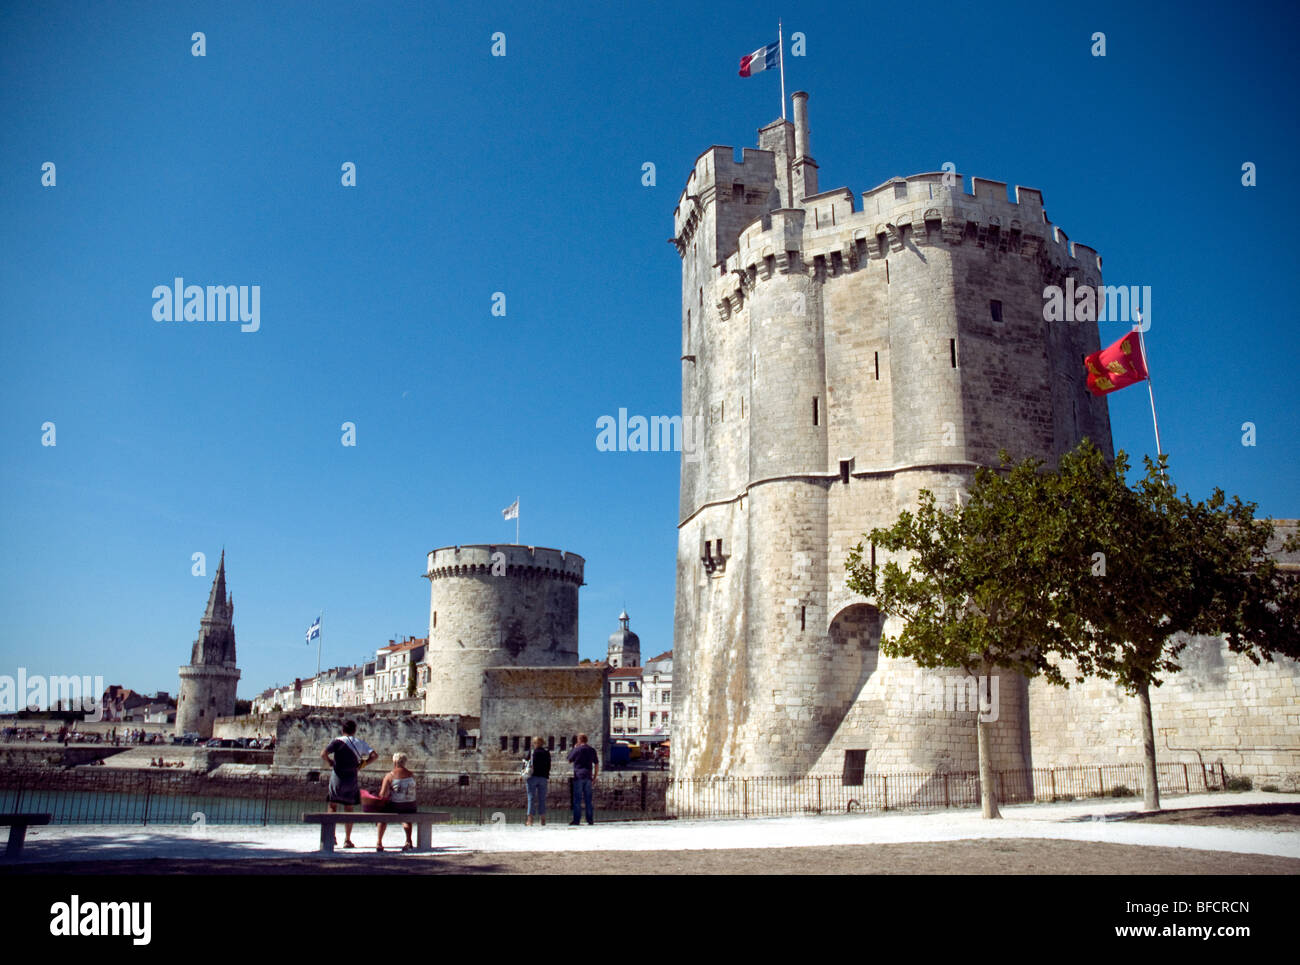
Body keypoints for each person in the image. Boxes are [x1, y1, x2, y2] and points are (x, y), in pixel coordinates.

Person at [320, 719, 378, 848]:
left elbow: (323, 753)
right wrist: (362, 765)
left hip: (337, 777)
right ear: (354, 730)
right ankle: (347, 839)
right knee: (349, 807)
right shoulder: (360, 743)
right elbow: (374, 756)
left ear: (342, 730)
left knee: (332, 805)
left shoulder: (337, 741)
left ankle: (331, 836)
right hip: (351, 777)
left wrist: (330, 762)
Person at [375, 752, 417, 852]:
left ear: (394, 761)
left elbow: (382, 794)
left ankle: (379, 842)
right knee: (406, 817)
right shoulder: (412, 775)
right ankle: (408, 840)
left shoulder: (390, 776)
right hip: (411, 807)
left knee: (382, 814)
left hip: (396, 806)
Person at [566, 733, 599, 825]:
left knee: (577, 799)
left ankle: (577, 820)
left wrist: (574, 748)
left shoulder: (577, 750)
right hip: (588, 776)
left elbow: (569, 760)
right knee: (588, 799)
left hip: (578, 776)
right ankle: (590, 819)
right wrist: (595, 776)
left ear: (579, 740)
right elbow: (596, 764)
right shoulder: (592, 750)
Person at [524, 737, 550, 827]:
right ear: (542, 743)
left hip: (532, 777)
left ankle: (530, 820)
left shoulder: (532, 752)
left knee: (531, 798)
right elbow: (549, 766)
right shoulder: (546, 753)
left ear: (534, 743)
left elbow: (525, 763)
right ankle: (542, 819)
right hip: (543, 778)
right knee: (542, 798)